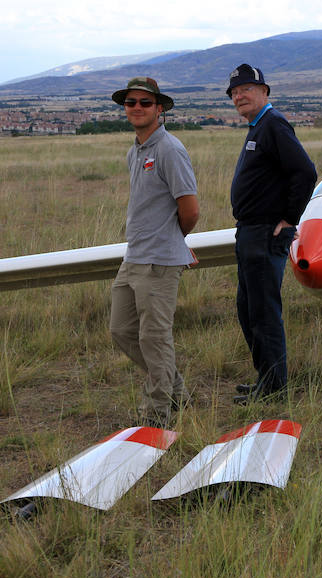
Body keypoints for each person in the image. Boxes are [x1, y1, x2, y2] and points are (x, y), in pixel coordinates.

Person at [108, 77, 199, 426]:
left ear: (159, 109)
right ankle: (175, 388)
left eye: (145, 103)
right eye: (131, 103)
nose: (137, 108)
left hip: (159, 262)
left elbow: (189, 209)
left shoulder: (169, 150)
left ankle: (158, 418)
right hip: (134, 257)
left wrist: (175, 242)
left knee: (154, 338)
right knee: (122, 330)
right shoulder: (135, 151)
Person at [226, 64, 317, 403]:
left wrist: (289, 218)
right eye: (234, 92)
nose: (239, 96)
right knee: (248, 309)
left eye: (246, 89)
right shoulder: (258, 127)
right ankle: (266, 378)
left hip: (265, 234)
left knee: (263, 312)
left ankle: (275, 391)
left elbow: (305, 172)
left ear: (265, 91)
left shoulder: (273, 124)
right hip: (249, 233)